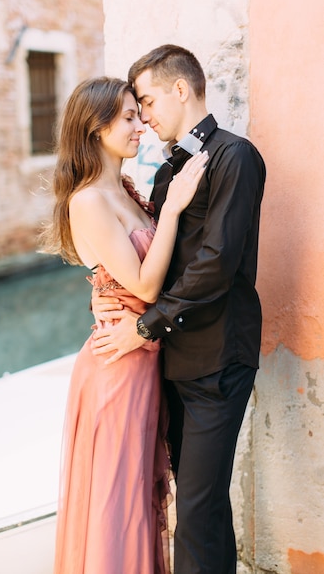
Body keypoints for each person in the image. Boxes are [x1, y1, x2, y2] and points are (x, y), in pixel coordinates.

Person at [90, 45, 266, 574]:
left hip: (218, 359)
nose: (143, 116)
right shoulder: (171, 171)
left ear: (181, 89)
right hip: (175, 360)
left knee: (192, 511)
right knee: (202, 507)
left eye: (146, 101)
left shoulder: (236, 157)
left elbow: (215, 263)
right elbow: (155, 258)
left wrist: (144, 327)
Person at [42, 76, 208, 574]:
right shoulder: (88, 200)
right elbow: (143, 287)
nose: (141, 126)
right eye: (129, 117)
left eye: (140, 114)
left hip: (143, 362)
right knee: (116, 506)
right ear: (95, 129)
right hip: (116, 370)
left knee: (137, 500)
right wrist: (175, 208)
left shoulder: (127, 190)